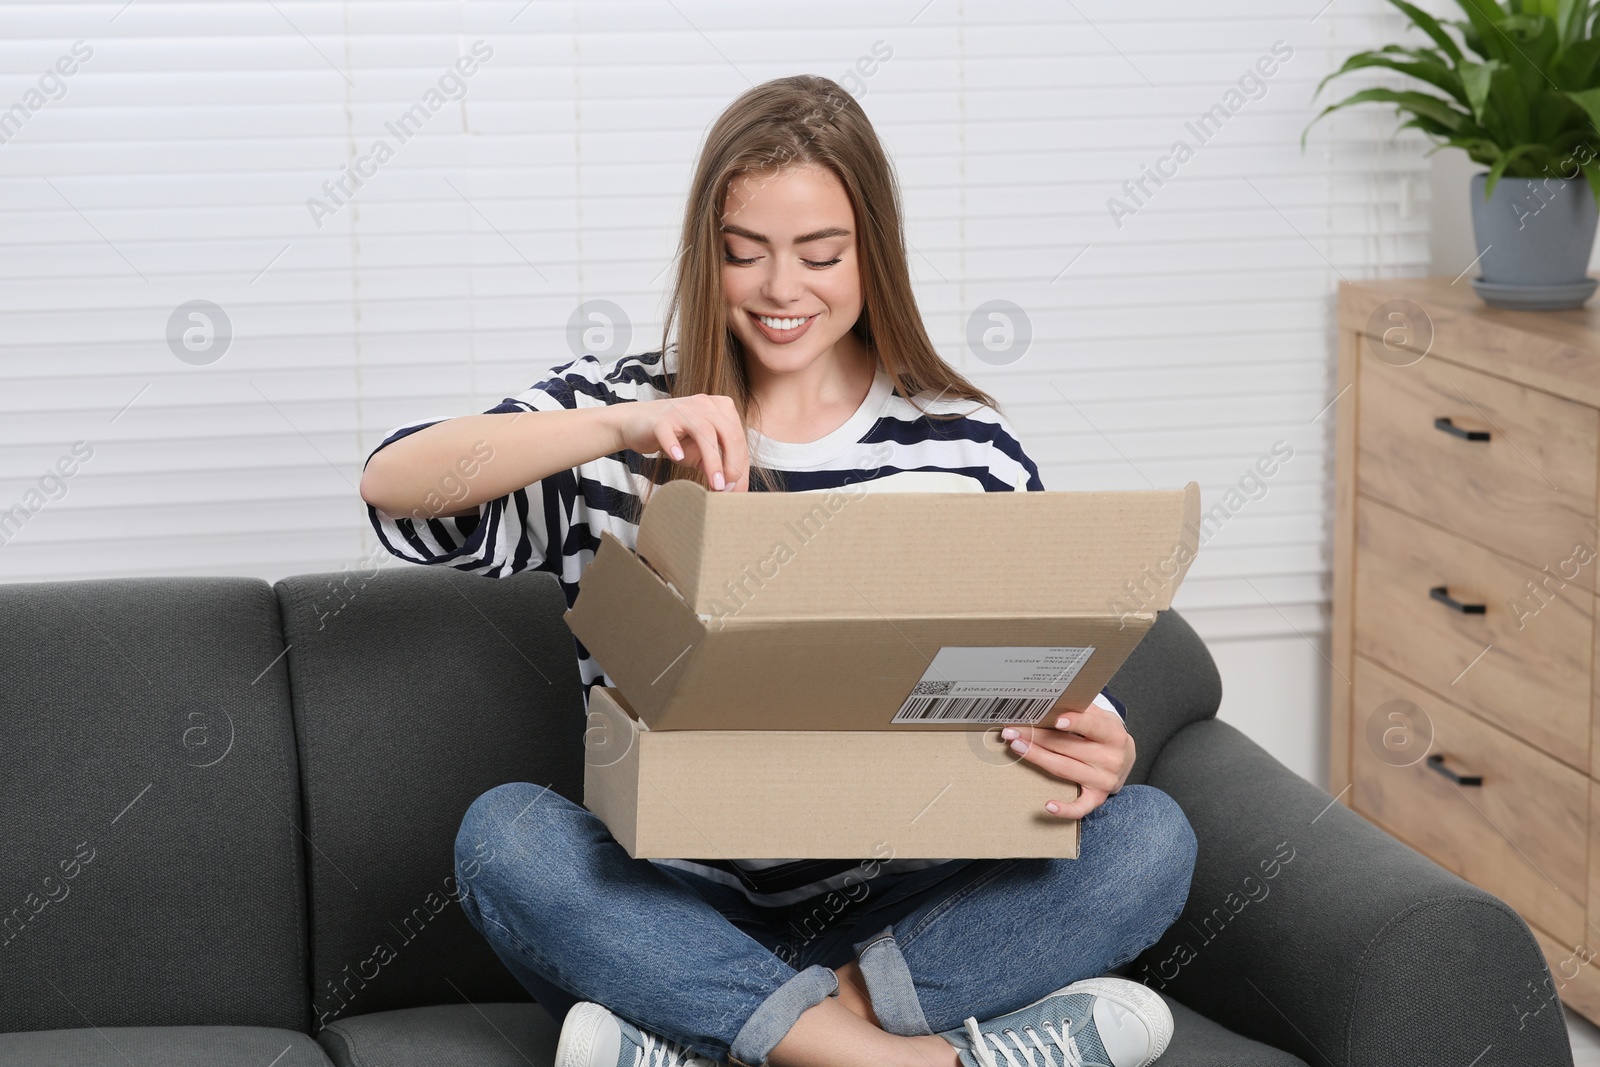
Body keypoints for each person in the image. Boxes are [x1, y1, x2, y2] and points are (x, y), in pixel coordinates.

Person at [359, 74, 1197, 1067]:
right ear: (704, 256)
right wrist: (620, 423)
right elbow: (392, 488)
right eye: (742, 253)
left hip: (912, 906)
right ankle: (915, 1059)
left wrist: (1090, 738)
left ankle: (746, 1035)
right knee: (505, 838)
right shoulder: (618, 418)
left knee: (1150, 837)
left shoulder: (966, 445)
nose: (780, 289)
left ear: (870, 252)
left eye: (820, 253)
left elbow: (1025, 673)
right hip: (675, 901)